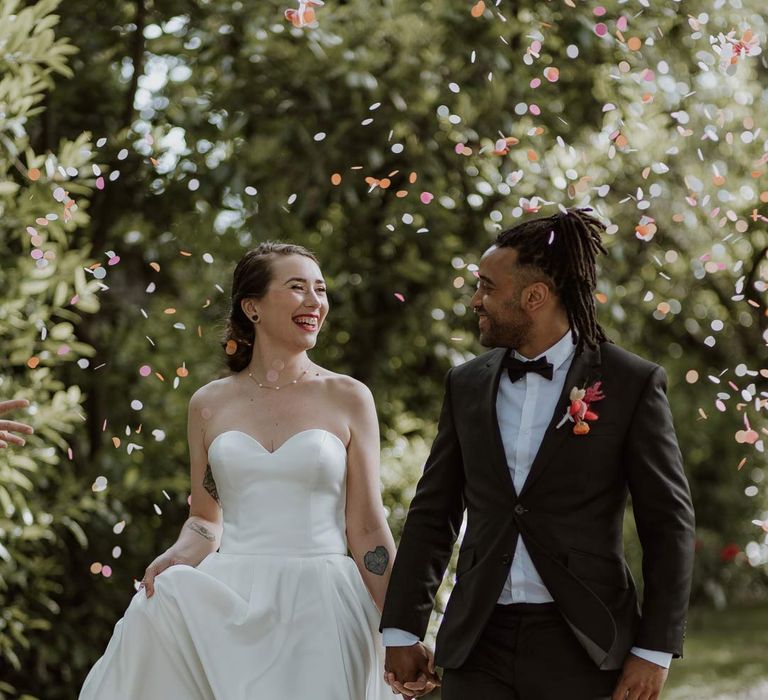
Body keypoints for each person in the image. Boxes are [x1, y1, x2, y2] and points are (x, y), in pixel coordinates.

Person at [380, 208, 696, 700]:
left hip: (584, 642)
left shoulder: (630, 383)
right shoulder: (465, 384)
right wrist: (402, 628)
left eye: (486, 287)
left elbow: (668, 523)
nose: (474, 300)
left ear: (534, 297)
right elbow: (433, 512)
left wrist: (654, 650)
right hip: (478, 641)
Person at [80, 242, 394, 699]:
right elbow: (206, 520)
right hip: (231, 605)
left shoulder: (348, 397)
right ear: (252, 307)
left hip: (323, 604)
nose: (315, 302)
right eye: (297, 288)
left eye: (320, 290)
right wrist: (178, 556)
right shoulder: (209, 404)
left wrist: (402, 626)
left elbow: (367, 527)